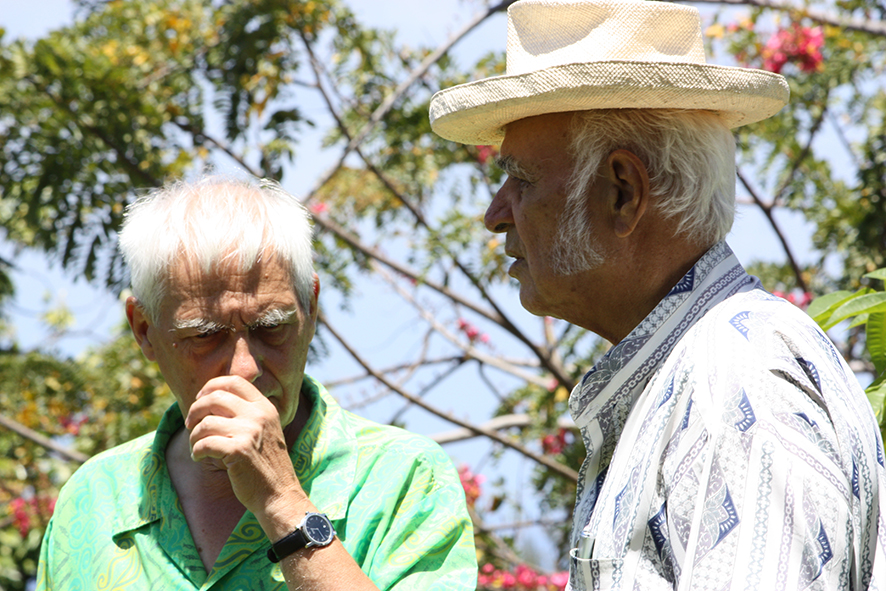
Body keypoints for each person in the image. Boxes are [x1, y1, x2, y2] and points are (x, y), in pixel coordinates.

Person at [430, 0, 886, 589]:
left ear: (622, 191)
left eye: (521, 179)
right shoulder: (707, 373)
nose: (495, 215)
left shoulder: (736, 389)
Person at [36, 175, 477, 590]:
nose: (245, 368)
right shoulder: (95, 499)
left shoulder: (404, 477)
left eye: (271, 327)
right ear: (144, 331)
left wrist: (284, 503)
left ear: (312, 308)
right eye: (205, 336)